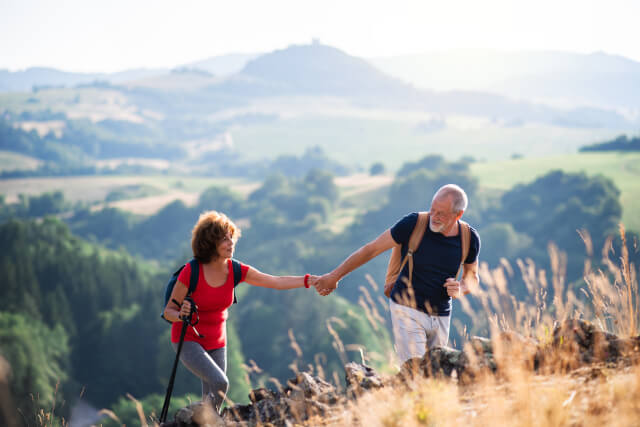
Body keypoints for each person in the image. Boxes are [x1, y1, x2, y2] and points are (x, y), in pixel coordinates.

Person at [163, 210, 317, 413]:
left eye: (231, 237)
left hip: (218, 342)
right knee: (220, 383)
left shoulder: (236, 270)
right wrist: (181, 315)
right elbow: (168, 312)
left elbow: (275, 282)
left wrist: (309, 280)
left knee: (214, 400)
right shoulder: (191, 271)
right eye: (224, 239)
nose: (231, 243)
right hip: (189, 341)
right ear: (210, 243)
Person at [313, 184, 480, 363]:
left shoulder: (468, 238)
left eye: (441, 214)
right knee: (414, 371)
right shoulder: (413, 224)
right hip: (406, 308)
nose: (434, 216)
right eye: (432, 209)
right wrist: (334, 276)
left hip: (442, 315)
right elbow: (371, 249)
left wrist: (461, 288)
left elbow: (472, 277)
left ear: (458, 214)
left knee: (436, 375)